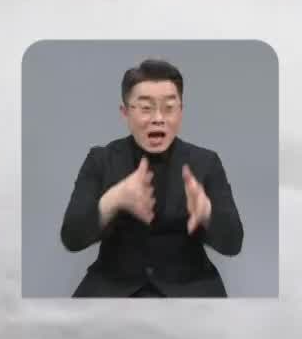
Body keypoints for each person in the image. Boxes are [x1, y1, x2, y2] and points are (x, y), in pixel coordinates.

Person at [59, 58, 243, 297]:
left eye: (169, 107)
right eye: (146, 108)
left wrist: (206, 212)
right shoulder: (100, 160)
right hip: (112, 286)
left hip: (190, 288)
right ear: (125, 112)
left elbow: (233, 243)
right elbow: (71, 238)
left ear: (181, 111)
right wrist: (113, 200)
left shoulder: (205, 162)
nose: (158, 118)